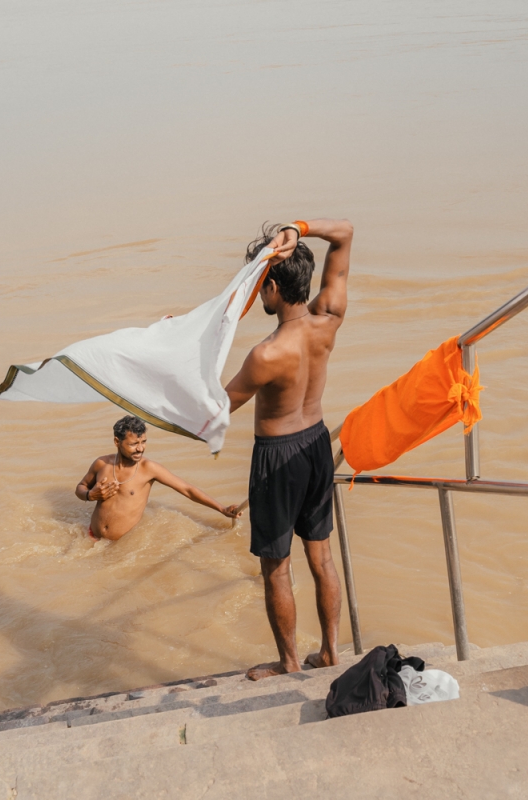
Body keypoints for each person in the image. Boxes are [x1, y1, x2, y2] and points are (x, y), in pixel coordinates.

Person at [225, 218, 352, 680]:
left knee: (276, 568)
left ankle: (290, 663)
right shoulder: (328, 322)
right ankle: (333, 652)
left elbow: (217, 412)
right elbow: (345, 233)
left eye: (261, 285)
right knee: (321, 557)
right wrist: (298, 227)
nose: (260, 295)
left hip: (277, 458)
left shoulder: (265, 354)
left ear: (274, 286)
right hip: (316, 444)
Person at [76, 415, 241, 540]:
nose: (140, 449)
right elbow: (81, 487)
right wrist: (90, 495)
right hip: (91, 536)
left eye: (144, 442)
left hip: (121, 546)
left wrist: (222, 509)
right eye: (134, 444)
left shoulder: (149, 468)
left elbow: (187, 489)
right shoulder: (102, 464)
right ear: (117, 442)